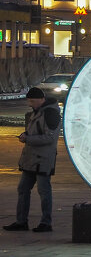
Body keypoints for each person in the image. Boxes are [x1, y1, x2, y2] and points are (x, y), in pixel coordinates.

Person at [3, 87, 62, 233]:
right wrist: (26, 134)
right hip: (31, 159)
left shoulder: (50, 113)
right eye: (29, 101)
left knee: (44, 190)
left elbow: (50, 137)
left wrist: (28, 139)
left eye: (32, 101)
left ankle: (46, 223)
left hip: (43, 159)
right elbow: (35, 131)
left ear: (42, 100)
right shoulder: (37, 112)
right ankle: (21, 222)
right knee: (23, 189)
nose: (30, 104)